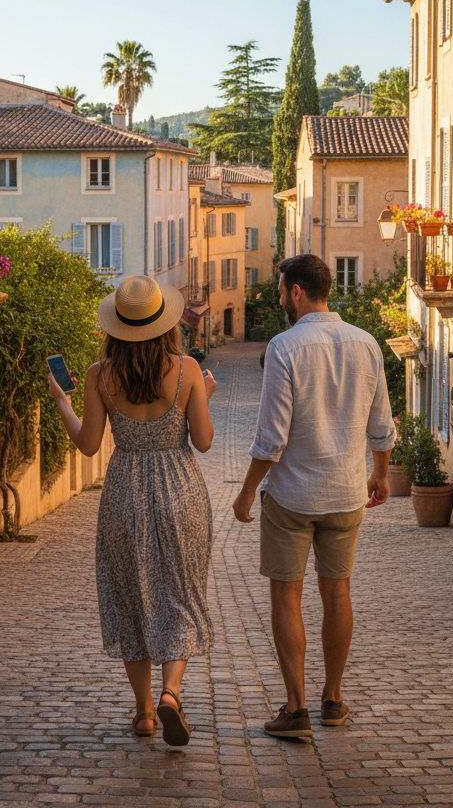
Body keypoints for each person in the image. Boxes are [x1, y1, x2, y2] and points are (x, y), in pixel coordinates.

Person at [49, 274, 216, 746]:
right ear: (164, 323)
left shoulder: (100, 375)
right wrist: (202, 397)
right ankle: (171, 692)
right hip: (180, 492)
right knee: (179, 594)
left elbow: (87, 445)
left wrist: (62, 401)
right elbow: (202, 442)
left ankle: (144, 712)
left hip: (124, 494)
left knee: (131, 598)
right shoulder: (186, 371)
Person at [233, 254, 396, 738]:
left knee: (287, 596)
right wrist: (380, 475)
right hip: (346, 492)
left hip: (291, 496)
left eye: (282, 291)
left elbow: (271, 438)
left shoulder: (284, 347)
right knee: (337, 590)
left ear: (297, 292)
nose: (281, 298)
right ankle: (333, 700)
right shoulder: (366, 344)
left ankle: (296, 708)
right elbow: (382, 424)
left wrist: (245, 494)